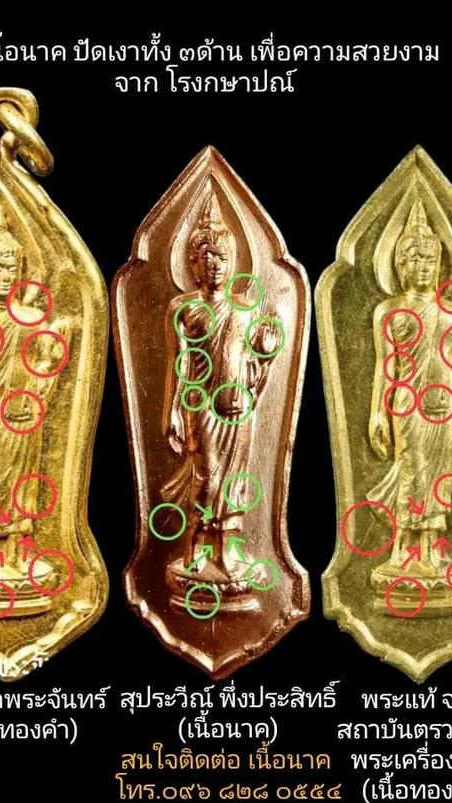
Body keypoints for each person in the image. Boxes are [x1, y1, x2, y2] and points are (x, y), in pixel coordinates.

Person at [367, 199, 452, 614]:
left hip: (443, 407)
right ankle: (404, 551)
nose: (423, 267)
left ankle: (432, 551)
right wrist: (376, 412)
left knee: (439, 478)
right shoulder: (389, 311)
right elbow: (385, 365)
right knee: (413, 474)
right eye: (415, 259)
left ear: (439, 266)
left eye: (430, 260)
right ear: (400, 264)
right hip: (407, 405)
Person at [161, 192, 280, 611]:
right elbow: (179, 363)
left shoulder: (245, 311)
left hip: (237, 409)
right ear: (192, 263)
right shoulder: (183, 308)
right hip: (201, 407)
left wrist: (265, 353)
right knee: (207, 478)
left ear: (232, 264)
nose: (214, 265)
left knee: (235, 483)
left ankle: (229, 552)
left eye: (222, 258)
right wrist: (172, 412)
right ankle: (195, 550)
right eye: (206, 257)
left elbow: (255, 365)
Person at [0, 205, 70, 615]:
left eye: (11, 269)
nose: (5, 277)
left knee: (25, 487)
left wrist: (56, 342)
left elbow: (44, 365)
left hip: (26, 413)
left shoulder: (33, 317)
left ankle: (18, 555)